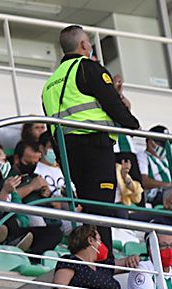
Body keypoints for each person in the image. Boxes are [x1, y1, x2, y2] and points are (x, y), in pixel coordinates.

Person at [41, 25, 139, 254]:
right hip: (94, 147)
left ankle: (90, 257)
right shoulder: (88, 67)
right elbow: (111, 102)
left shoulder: (50, 83)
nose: (91, 46)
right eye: (89, 42)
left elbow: (51, 124)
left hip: (69, 152)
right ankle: (102, 262)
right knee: (102, 209)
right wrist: (133, 124)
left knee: (89, 209)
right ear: (84, 45)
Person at [0, 142, 62, 255]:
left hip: (13, 229)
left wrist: (18, 221)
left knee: (54, 233)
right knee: (6, 220)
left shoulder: (8, 183)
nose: (7, 163)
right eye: (4, 160)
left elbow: (22, 216)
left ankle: (32, 258)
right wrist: (4, 193)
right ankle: (12, 244)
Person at [137, 125, 172, 206]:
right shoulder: (142, 157)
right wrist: (169, 185)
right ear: (150, 142)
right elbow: (144, 181)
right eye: (163, 144)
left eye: (168, 144)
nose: (166, 147)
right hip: (158, 194)